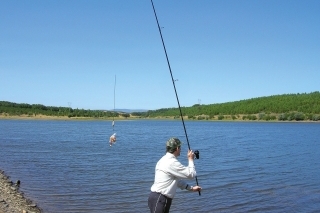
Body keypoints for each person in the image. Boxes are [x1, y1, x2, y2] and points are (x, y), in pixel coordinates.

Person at [148, 137, 202, 213]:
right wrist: (190, 160)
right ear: (177, 148)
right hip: (161, 198)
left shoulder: (163, 159)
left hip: (157, 198)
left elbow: (177, 180)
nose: (181, 150)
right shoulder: (171, 162)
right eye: (180, 147)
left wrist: (191, 188)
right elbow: (191, 174)